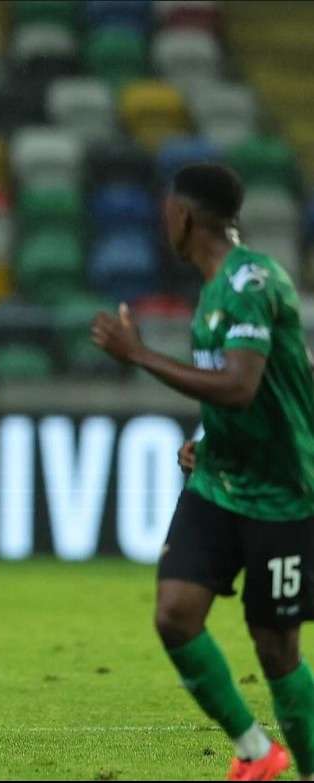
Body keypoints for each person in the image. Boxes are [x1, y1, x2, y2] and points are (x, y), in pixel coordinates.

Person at [92, 163, 314, 782]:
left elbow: (240, 386)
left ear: (184, 216)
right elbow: (243, 396)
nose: (163, 217)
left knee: (276, 649)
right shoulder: (215, 290)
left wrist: (139, 354)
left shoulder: (250, 282)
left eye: (168, 208)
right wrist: (206, 439)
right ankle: (256, 752)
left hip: (280, 493)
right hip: (219, 481)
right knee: (175, 613)